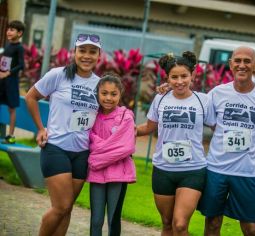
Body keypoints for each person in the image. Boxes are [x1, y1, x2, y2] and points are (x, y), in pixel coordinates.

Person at [198, 47, 255, 236]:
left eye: (247, 61)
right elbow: (214, 125)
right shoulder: (216, 94)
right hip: (216, 169)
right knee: (213, 223)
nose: (242, 65)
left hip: (246, 172)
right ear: (231, 64)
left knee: (251, 229)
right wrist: (167, 90)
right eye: (237, 61)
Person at [25, 33, 102, 236]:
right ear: (74, 53)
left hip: (82, 153)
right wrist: (41, 128)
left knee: (66, 209)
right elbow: (31, 97)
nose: (87, 56)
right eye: (82, 51)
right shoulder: (58, 75)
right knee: (61, 206)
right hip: (56, 148)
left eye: (92, 52)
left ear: (98, 55)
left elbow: (112, 111)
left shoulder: (100, 84)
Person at [136, 51, 214, 235]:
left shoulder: (203, 101)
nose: (180, 81)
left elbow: (218, 128)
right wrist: (121, 130)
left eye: (184, 76)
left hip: (193, 169)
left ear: (192, 75)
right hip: (163, 169)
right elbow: (148, 127)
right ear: (167, 78)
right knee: (167, 223)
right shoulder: (160, 98)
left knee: (180, 224)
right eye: (174, 77)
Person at [87, 74, 136, 236]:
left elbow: (126, 146)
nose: (108, 98)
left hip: (118, 176)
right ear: (98, 94)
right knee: (96, 220)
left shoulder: (126, 116)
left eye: (113, 94)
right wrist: (110, 147)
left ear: (120, 94)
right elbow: (88, 140)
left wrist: (96, 157)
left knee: (113, 220)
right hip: (97, 175)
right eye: (104, 93)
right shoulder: (91, 116)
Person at [0, 20, 25, 144]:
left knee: (12, 109)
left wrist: (7, 73)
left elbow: (21, 65)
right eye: (8, 29)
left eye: (12, 30)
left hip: (11, 82)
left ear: (19, 33)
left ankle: (11, 136)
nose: (8, 31)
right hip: (1, 82)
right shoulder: (7, 45)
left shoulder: (19, 48)